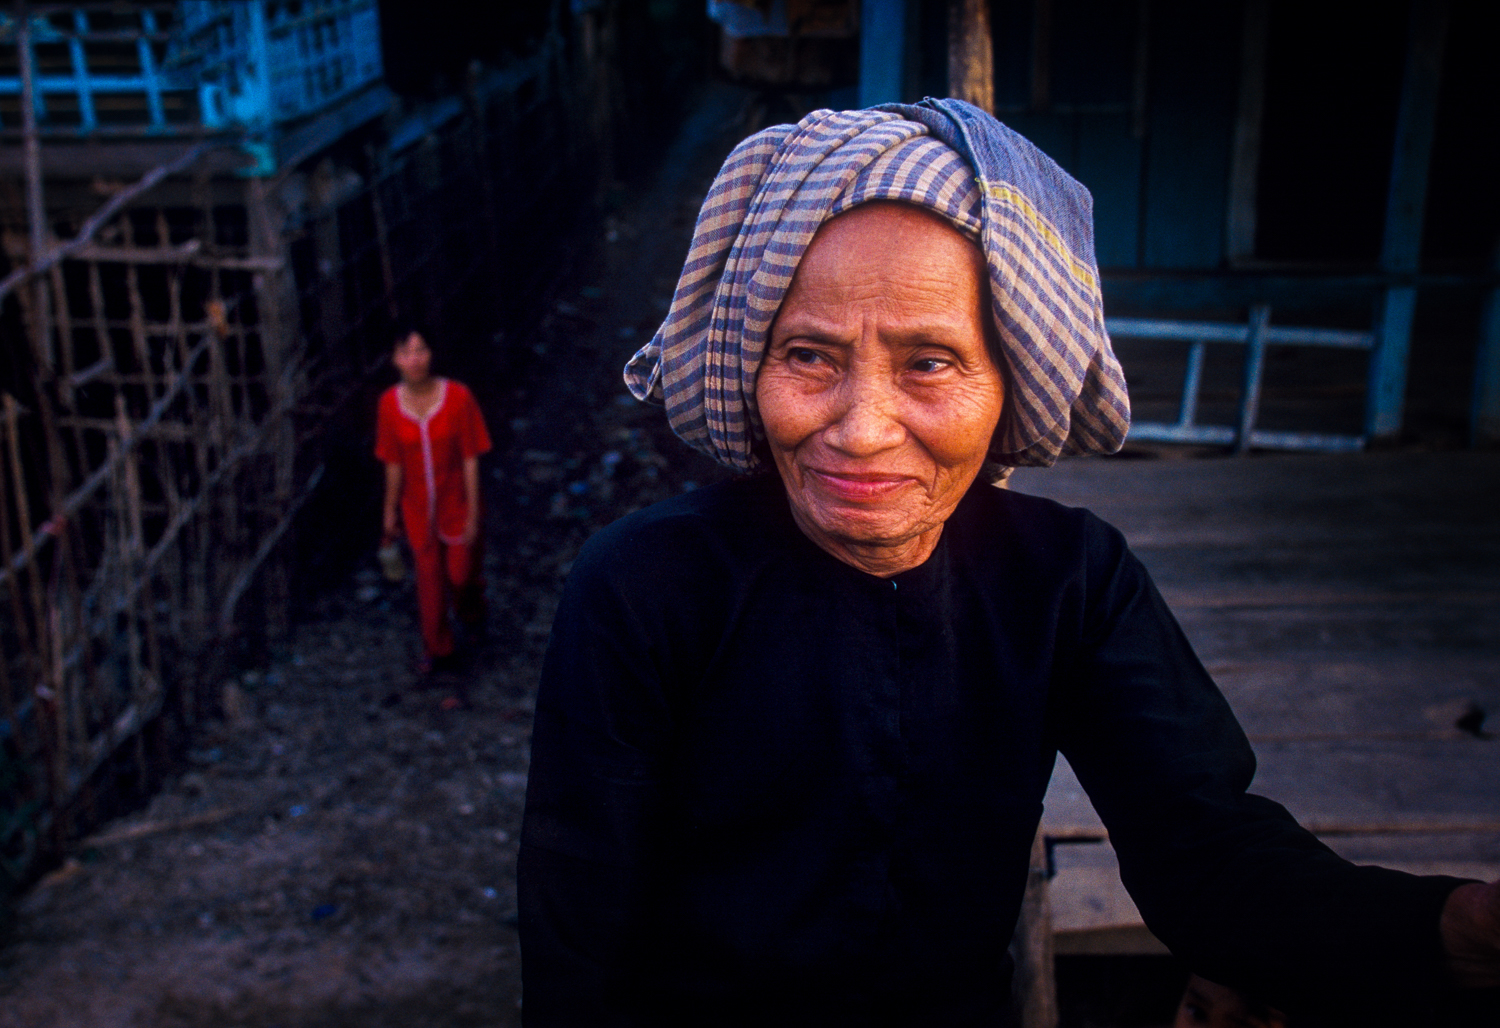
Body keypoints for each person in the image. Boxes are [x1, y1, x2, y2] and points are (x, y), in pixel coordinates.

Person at [517, 100, 1500, 1026]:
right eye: (809, 355)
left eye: (929, 362)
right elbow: (578, 928)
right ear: (754, 370)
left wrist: (1443, 928)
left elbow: (1202, 842)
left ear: (1008, 384)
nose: (861, 430)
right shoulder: (643, 586)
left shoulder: (1067, 581)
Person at [375, 327, 492, 674]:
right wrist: (389, 511)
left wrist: (473, 512)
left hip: (457, 502)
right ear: (395, 359)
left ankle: (472, 610)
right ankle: (438, 647)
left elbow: (471, 457)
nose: (415, 359)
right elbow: (393, 463)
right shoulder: (389, 406)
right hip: (416, 508)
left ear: (432, 355)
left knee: (460, 574)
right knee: (428, 579)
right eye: (406, 352)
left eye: (421, 350)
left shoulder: (458, 398)